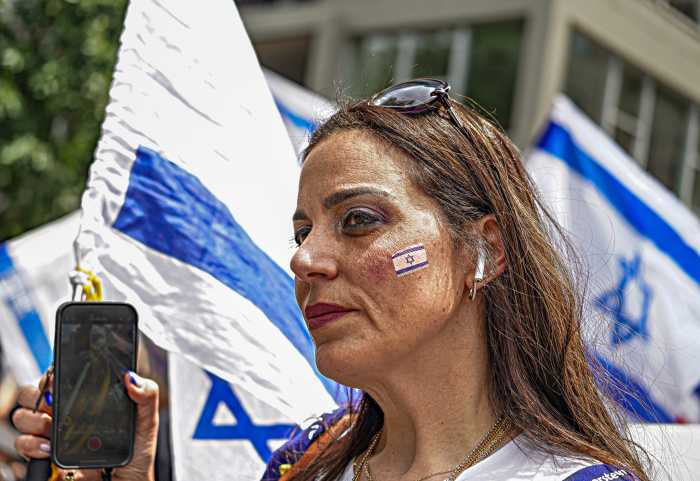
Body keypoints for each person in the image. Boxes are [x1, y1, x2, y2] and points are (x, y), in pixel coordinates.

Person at [12, 79, 650, 481]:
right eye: (302, 232)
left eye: (359, 221)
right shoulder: (305, 461)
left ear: (483, 250)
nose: (305, 259)